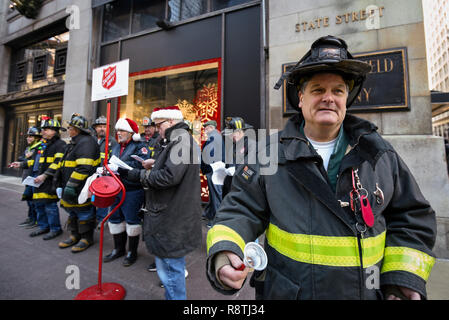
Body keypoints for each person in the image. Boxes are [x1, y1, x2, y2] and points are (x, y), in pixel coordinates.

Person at [206, 35, 437, 300]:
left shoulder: (378, 154)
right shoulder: (267, 154)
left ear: (346, 99)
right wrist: (226, 251)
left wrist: (400, 279)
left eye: (337, 91)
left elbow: (412, 218)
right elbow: (240, 209)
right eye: (317, 90)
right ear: (301, 99)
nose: (328, 98)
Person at [124, 106, 202, 299]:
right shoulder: (177, 140)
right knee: (172, 266)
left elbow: (169, 176)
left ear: (171, 121)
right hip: (174, 213)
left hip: (172, 216)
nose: (156, 129)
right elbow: (172, 168)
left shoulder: (181, 141)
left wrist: (139, 174)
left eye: (159, 125)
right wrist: (154, 162)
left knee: (170, 270)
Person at [103, 118, 150, 267]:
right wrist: (105, 169)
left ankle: (132, 252)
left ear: (131, 133)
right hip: (115, 188)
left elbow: (141, 165)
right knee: (115, 219)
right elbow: (111, 161)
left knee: (132, 221)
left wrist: (120, 167)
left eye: (122, 130)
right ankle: (119, 249)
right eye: (118, 131)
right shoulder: (116, 147)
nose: (119, 133)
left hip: (132, 190)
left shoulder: (140, 146)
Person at [12, 118, 66, 239]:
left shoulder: (60, 145)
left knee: (50, 205)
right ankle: (43, 226)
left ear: (54, 131)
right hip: (38, 179)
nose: (43, 132)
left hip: (50, 181)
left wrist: (44, 175)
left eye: (46, 129)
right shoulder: (44, 145)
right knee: (39, 204)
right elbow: (34, 161)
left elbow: (58, 163)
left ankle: (55, 229)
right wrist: (21, 164)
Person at [57, 114, 100, 253]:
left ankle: (86, 238)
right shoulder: (75, 142)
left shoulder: (86, 142)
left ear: (76, 129)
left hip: (81, 187)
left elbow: (84, 167)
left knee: (84, 213)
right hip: (72, 186)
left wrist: (71, 185)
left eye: (70, 127)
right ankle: (75, 235)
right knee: (73, 212)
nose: (68, 129)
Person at [91, 115, 118, 224]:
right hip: (91, 173)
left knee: (102, 198)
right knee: (92, 196)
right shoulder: (91, 140)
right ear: (95, 128)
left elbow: (114, 159)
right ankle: (92, 218)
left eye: (104, 126)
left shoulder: (112, 141)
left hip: (104, 175)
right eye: (99, 126)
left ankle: (101, 220)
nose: (102, 128)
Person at [221, 116, 256, 198]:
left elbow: (252, 170)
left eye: (231, 134)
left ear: (239, 132)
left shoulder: (251, 145)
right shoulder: (233, 147)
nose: (230, 137)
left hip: (244, 192)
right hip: (231, 190)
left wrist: (237, 171)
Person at [16, 127, 43, 229]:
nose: (28, 138)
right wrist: (26, 157)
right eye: (28, 136)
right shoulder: (29, 148)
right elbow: (21, 158)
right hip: (27, 176)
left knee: (33, 200)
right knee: (28, 199)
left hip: (33, 177)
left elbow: (36, 162)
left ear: (37, 138)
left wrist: (27, 158)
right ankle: (30, 218)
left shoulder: (39, 147)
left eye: (31, 136)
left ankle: (35, 219)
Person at [201, 120, 223, 226]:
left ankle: (217, 220)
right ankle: (210, 214)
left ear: (211, 127)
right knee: (214, 195)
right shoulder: (215, 137)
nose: (205, 130)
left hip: (214, 170)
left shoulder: (214, 137)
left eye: (206, 128)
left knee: (216, 196)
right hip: (213, 170)